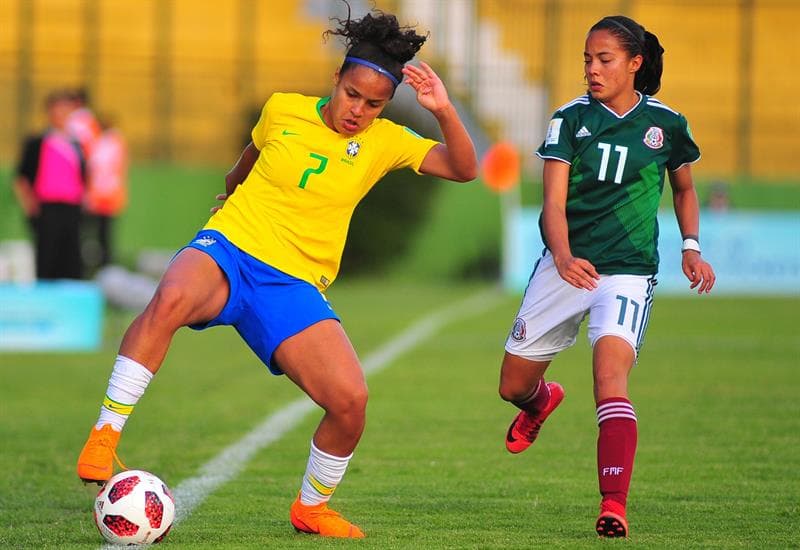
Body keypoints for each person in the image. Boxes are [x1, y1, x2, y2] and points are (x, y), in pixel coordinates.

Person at [77, 3, 477, 539]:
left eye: (374, 104)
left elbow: (464, 168)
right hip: (232, 247)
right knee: (168, 300)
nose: (358, 109)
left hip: (293, 284)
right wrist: (231, 188)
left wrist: (444, 110)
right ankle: (104, 438)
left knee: (350, 401)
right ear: (335, 79)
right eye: (352, 94)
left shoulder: (386, 142)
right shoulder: (283, 108)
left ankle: (311, 508)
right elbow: (250, 154)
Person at [497, 15, 715, 538]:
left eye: (604, 60)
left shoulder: (668, 125)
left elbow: (683, 189)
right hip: (564, 266)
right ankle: (542, 400)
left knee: (609, 380)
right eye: (586, 61)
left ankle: (613, 503)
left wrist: (691, 247)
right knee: (512, 386)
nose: (592, 70)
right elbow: (551, 204)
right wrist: (566, 257)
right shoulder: (569, 121)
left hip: (629, 273)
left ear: (635, 64)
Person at [14, 90, 87, 280]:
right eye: (58, 111)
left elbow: (84, 176)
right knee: (47, 254)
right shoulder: (37, 142)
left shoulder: (77, 145)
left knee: (71, 255)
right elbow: (22, 178)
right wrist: (30, 206)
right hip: (47, 206)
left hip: (72, 206)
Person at [83, 114, 129, 269]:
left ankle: (104, 265)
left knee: (103, 233)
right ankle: (98, 263)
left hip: (105, 196)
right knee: (96, 233)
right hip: (100, 195)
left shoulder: (111, 142)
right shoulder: (103, 142)